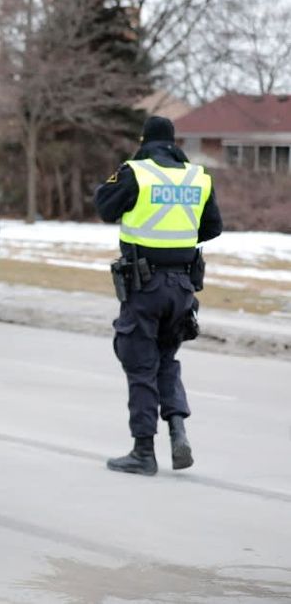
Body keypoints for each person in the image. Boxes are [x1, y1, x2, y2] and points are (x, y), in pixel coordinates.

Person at [94, 116, 222, 475]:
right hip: (182, 287)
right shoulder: (197, 176)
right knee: (167, 359)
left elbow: (104, 206)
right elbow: (214, 226)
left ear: (143, 140)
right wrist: (178, 237)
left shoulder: (136, 172)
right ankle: (178, 431)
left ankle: (143, 452)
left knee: (140, 364)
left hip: (144, 286)